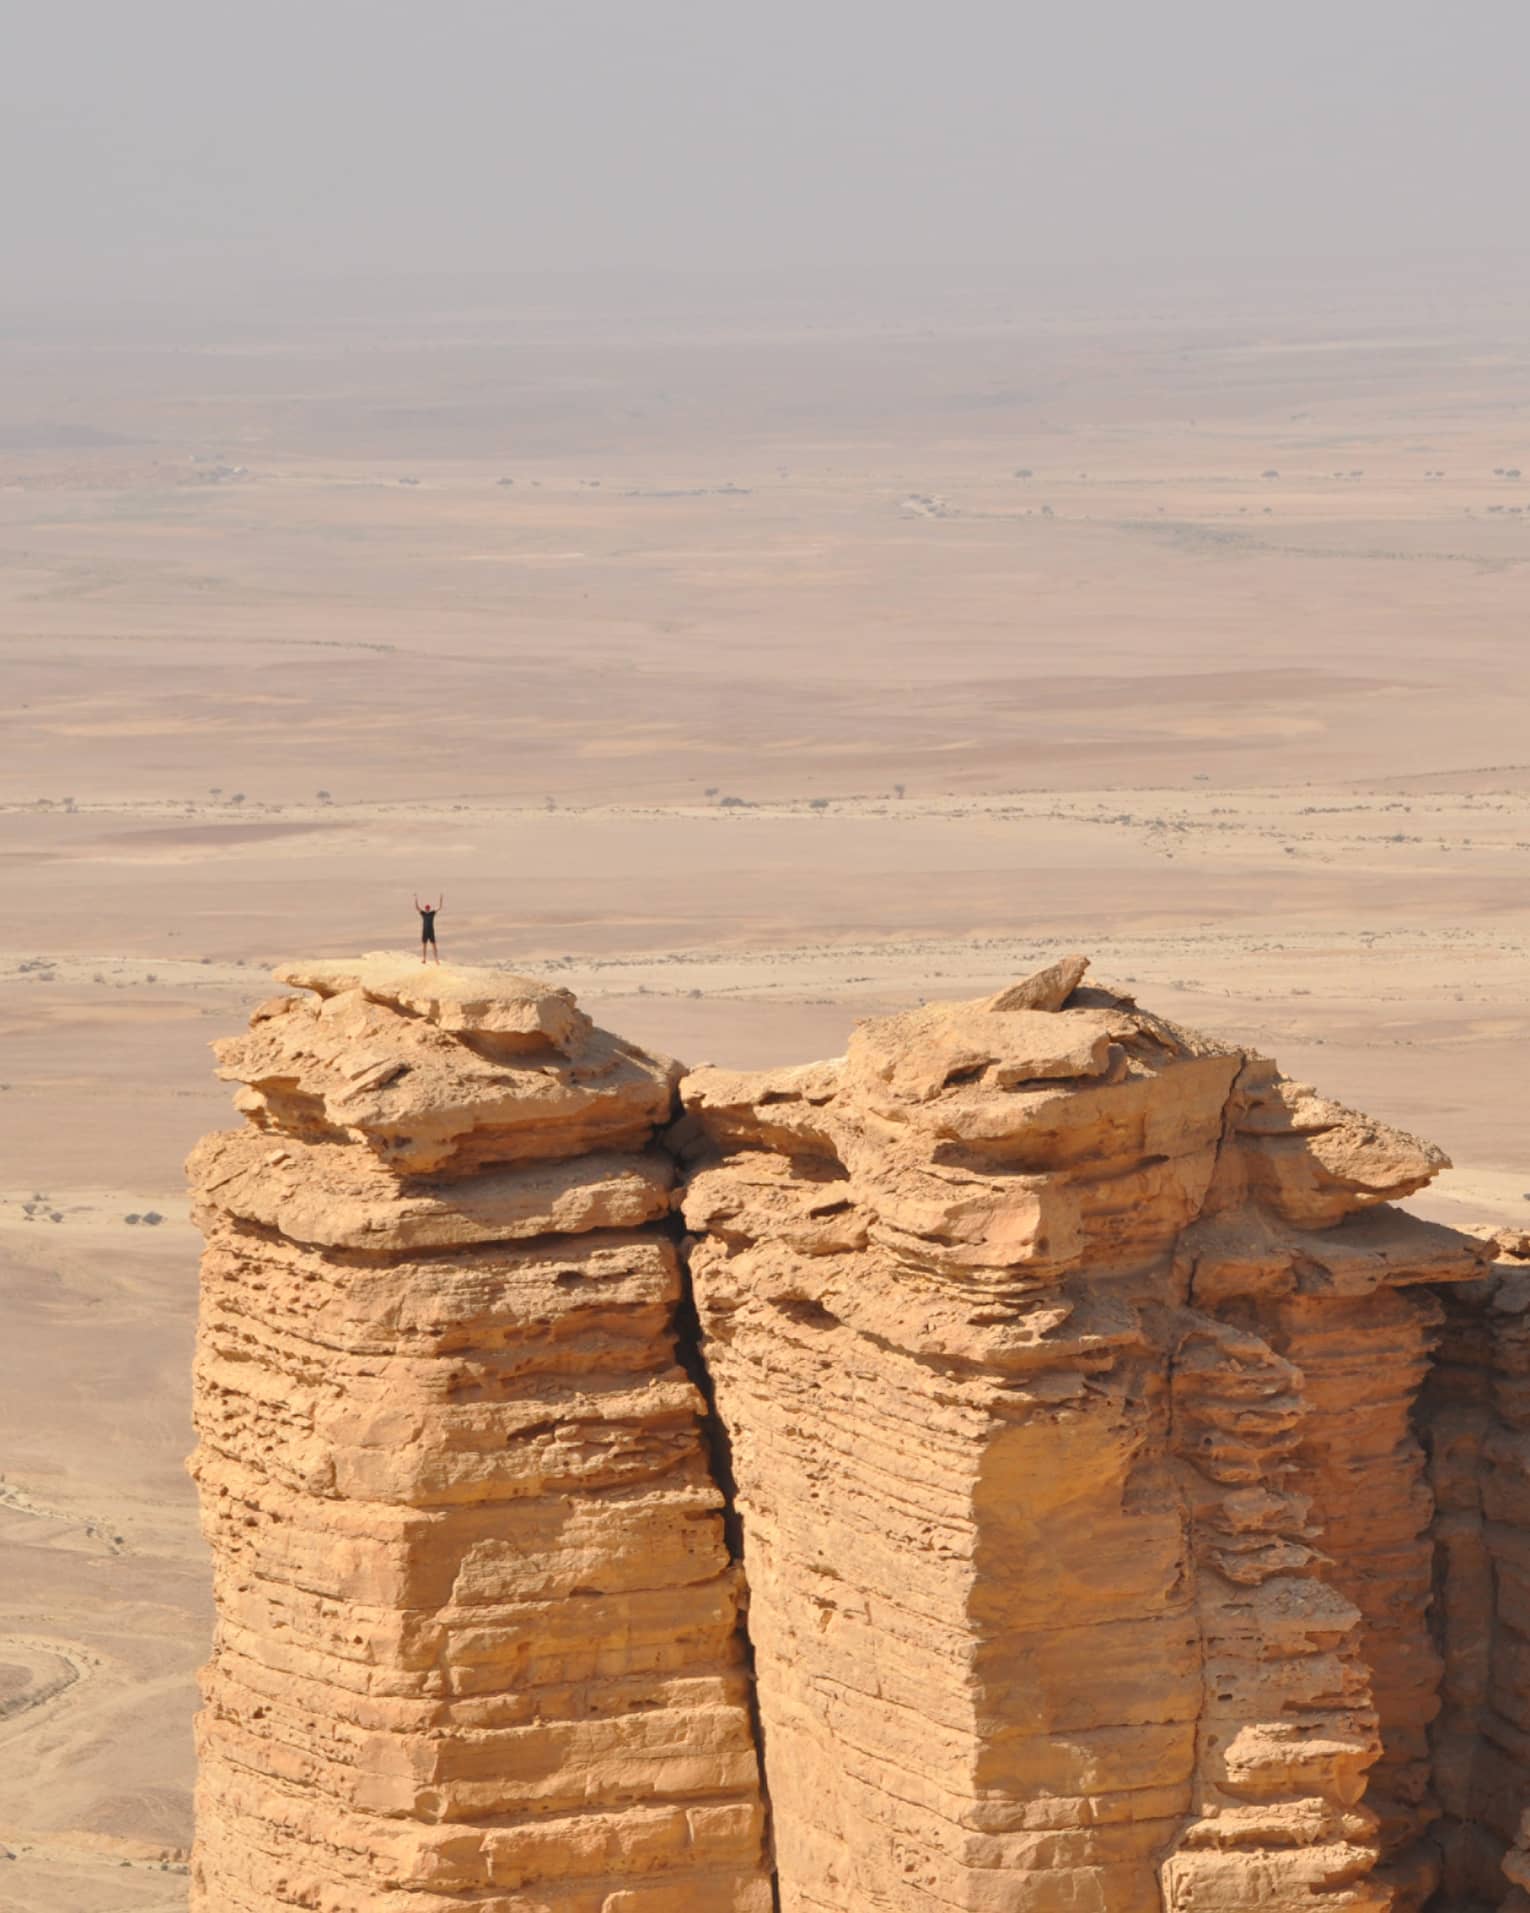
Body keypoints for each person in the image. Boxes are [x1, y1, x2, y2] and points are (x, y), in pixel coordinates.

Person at [414, 893, 443, 963]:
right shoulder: (423, 913)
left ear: (429, 908)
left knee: (434, 945)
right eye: (426, 908)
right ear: (425, 909)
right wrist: (416, 898)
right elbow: (417, 907)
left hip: (431, 931)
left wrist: (441, 899)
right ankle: (424, 959)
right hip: (425, 931)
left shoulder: (432, 913)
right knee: (424, 945)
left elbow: (439, 907)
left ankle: (436, 960)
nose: (427, 909)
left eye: (428, 908)